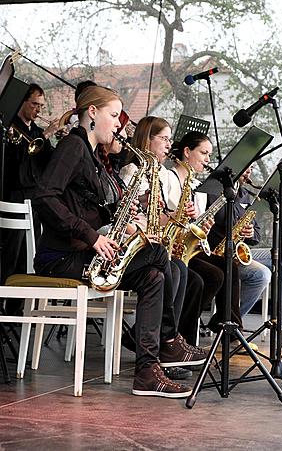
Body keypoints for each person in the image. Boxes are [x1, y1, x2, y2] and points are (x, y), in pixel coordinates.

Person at [32, 85, 206, 398]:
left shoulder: (94, 157)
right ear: (92, 113)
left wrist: (121, 220)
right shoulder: (73, 146)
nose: (118, 123)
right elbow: (45, 196)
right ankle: (168, 342)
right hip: (61, 257)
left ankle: (146, 371)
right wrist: (91, 236)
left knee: (153, 276)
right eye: (114, 115)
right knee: (156, 255)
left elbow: (85, 205)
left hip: (85, 254)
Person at [119, 118, 221, 348]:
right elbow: (132, 217)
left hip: (156, 243)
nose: (168, 144)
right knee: (182, 272)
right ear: (147, 139)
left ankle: (171, 341)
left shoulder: (160, 173)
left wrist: (184, 217)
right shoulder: (132, 171)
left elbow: (163, 214)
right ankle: (162, 342)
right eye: (164, 138)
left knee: (190, 277)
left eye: (169, 139)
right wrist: (177, 216)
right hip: (137, 242)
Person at [209, 164, 282, 341]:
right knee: (261, 274)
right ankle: (228, 322)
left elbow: (256, 234)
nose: (249, 170)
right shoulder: (213, 191)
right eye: (246, 165)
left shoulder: (246, 195)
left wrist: (250, 233)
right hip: (217, 253)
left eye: (252, 167)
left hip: (240, 251)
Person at [169, 131, 244, 344]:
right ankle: (180, 335)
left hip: (190, 247)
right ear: (186, 152)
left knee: (229, 265)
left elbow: (198, 226)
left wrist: (204, 225)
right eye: (203, 153)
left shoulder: (198, 188)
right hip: (174, 246)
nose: (207, 160)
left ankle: (227, 327)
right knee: (212, 275)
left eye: (210, 155)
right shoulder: (170, 178)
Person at [1, 83, 58, 289]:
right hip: (15, 195)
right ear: (22, 102)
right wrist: (45, 136)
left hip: (34, 197)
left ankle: (19, 310)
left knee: (29, 253)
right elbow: (18, 160)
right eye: (34, 104)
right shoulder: (9, 127)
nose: (38, 110)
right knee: (11, 252)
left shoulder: (36, 130)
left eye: (41, 106)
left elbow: (49, 164)